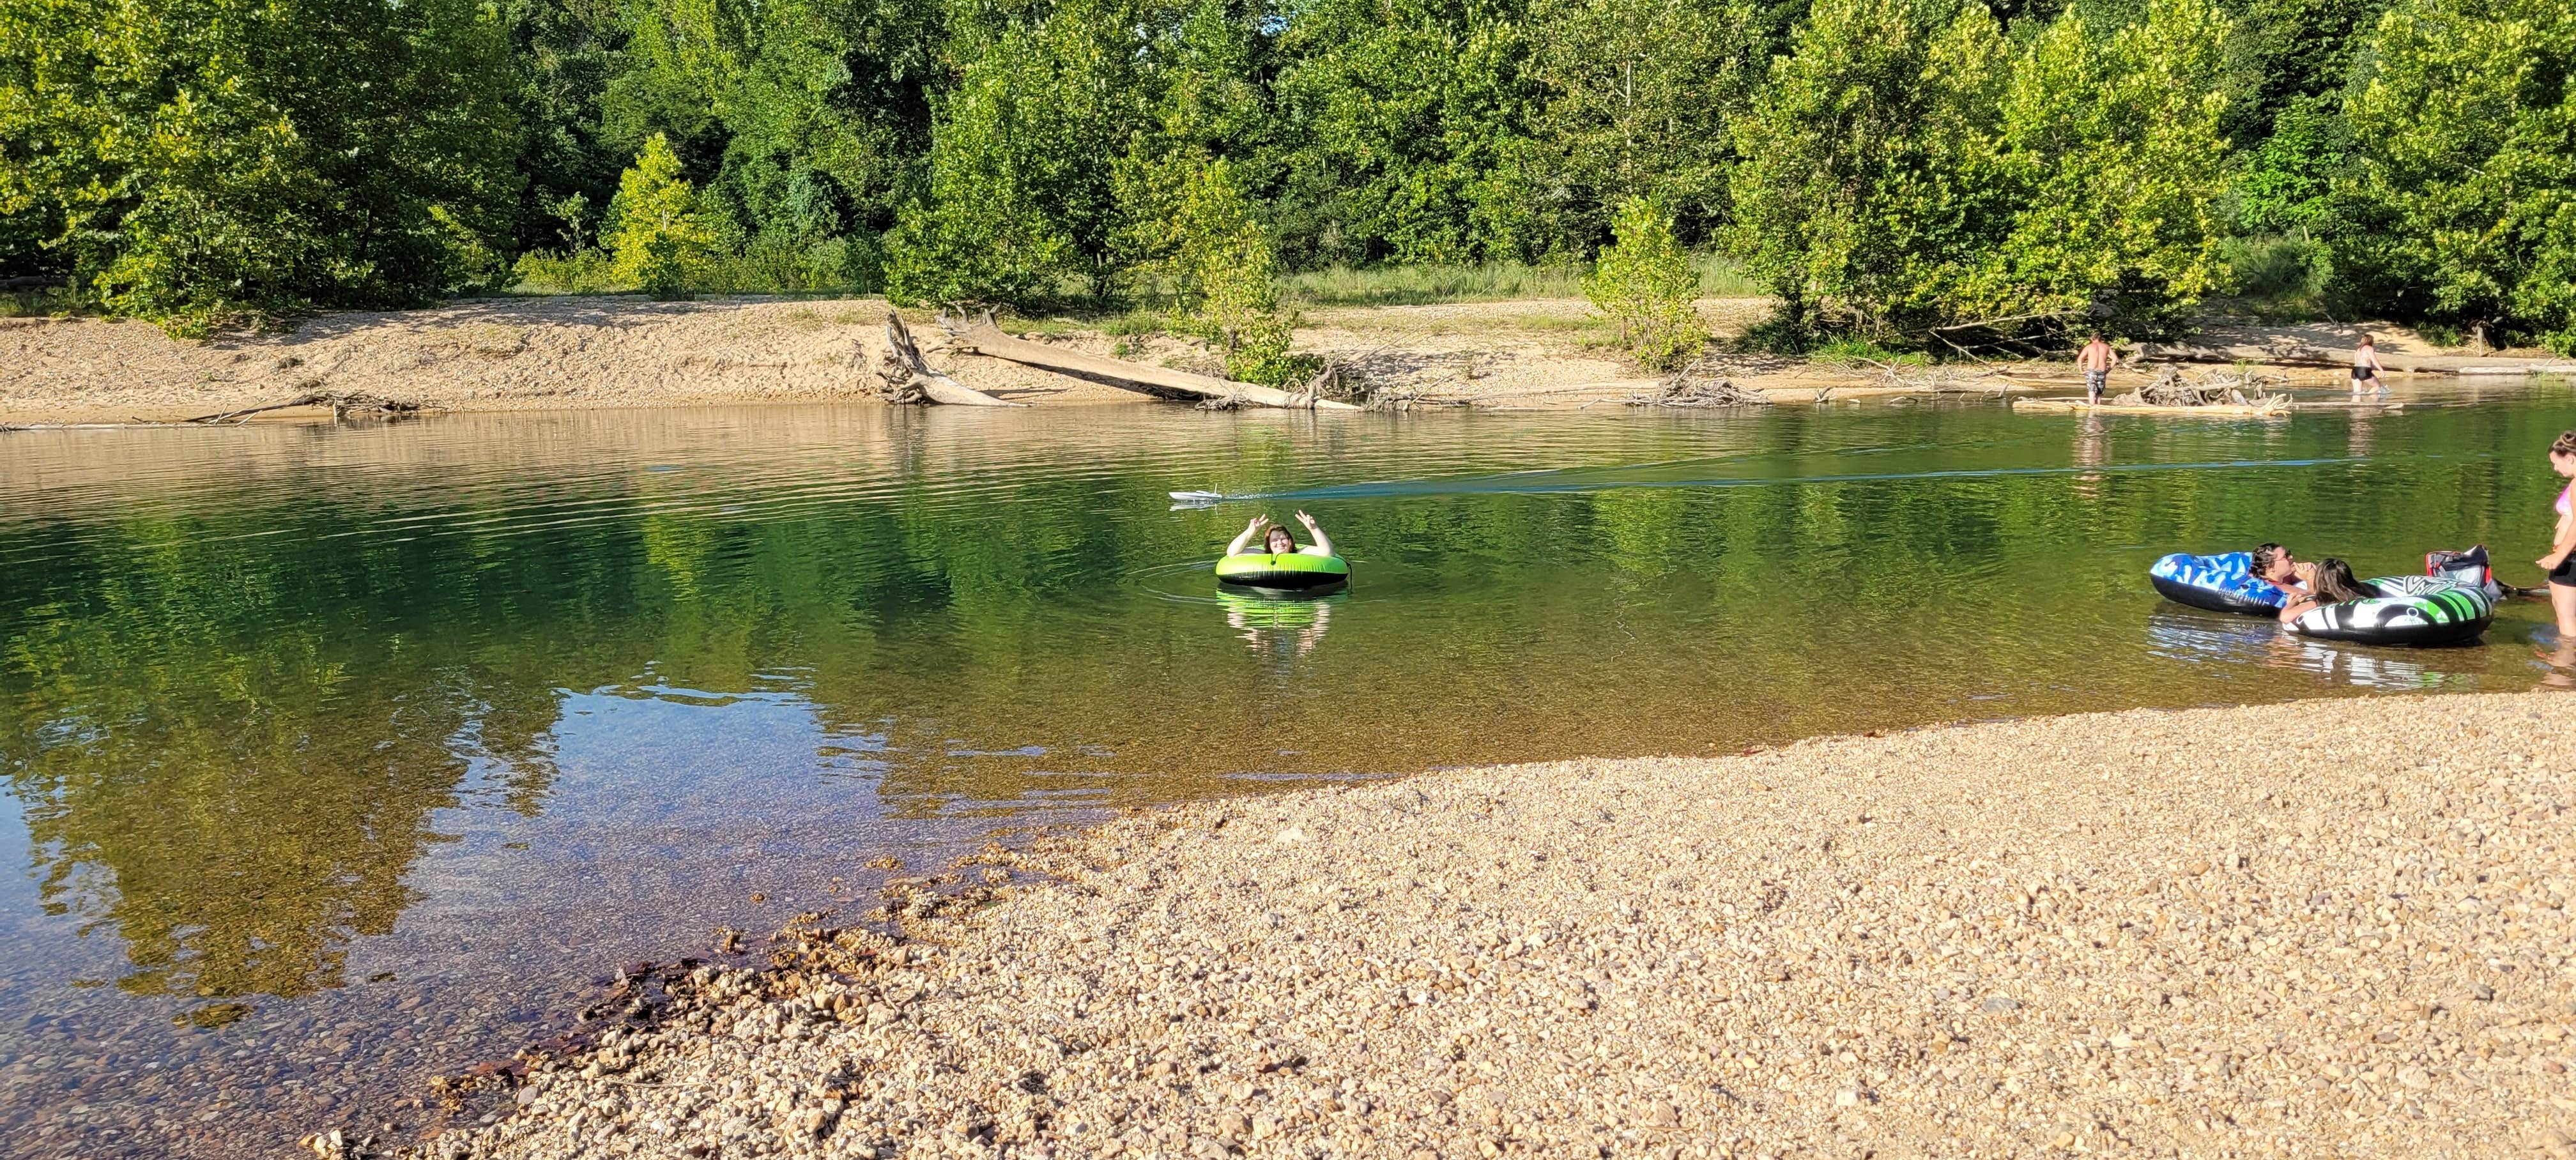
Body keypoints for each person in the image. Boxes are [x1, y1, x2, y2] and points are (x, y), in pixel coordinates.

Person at [2538, 432, 2576, 636]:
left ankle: (2564, 666)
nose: (2555, 468)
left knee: (2567, 614)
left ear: (2570, 458)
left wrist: (2558, 556)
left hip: (2571, 557)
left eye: (2556, 463)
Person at [2277, 558, 2379, 624]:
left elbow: (2285, 617)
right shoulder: (2362, 591)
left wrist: (2295, 601)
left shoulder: (2324, 600)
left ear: (2321, 580)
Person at [1227, 510, 1335, 558]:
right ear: (1269, 545)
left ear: (1290, 541)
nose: (1279, 543)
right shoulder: (1264, 555)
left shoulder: (1299, 552)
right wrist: (1250, 532)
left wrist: (1314, 528)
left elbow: (1328, 552)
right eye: (1274, 540)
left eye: (1283, 539)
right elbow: (1232, 553)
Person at [2248, 542, 2312, 599]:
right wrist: (2311, 576)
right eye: (2285, 556)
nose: (2291, 557)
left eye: (2288, 553)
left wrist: (2309, 568)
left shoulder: (2275, 578)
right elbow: (2314, 596)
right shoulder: (2278, 589)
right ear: (2271, 567)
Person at [2078, 333, 2116, 405]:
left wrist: (2081, 370)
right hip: (2102, 372)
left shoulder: (2089, 347)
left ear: (2092, 339)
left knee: (2092, 391)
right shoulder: (2106, 347)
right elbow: (2115, 358)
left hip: (2091, 372)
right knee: (2099, 393)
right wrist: (2109, 369)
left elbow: (2080, 359)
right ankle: (2098, 409)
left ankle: (2092, 409)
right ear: (2100, 338)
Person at [2351, 334, 2388, 399]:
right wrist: (2381, 370)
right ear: (2371, 341)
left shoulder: (2358, 350)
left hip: (2355, 371)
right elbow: (2374, 360)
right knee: (2377, 386)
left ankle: (2356, 407)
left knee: (2357, 394)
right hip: (2364, 370)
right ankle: (2370, 402)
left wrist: (2372, 367)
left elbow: (2356, 362)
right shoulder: (2369, 348)